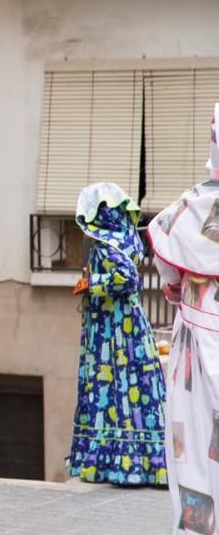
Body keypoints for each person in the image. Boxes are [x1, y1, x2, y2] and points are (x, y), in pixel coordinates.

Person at [150, 104, 219, 535]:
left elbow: (170, 279)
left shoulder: (189, 208)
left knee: (196, 467)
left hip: (197, 359)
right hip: (198, 350)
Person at [66, 182, 166, 486]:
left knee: (112, 385)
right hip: (127, 325)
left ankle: (119, 464)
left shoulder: (107, 243)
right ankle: (141, 462)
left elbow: (127, 278)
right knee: (129, 386)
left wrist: (89, 283)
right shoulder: (127, 237)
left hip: (113, 330)